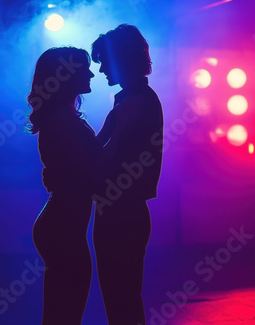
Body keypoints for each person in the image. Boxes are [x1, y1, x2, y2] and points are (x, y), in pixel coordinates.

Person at [90, 24, 164, 325]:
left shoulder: (134, 101)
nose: (101, 69)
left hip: (121, 212)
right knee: (124, 301)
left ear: (121, 58)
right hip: (125, 211)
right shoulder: (135, 98)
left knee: (120, 301)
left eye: (105, 61)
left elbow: (100, 154)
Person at [29, 47, 99, 325]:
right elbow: (91, 169)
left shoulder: (62, 115)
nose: (92, 73)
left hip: (60, 223)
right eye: (85, 68)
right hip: (64, 227)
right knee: (66, 313)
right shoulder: (62, 118)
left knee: (61, 312)